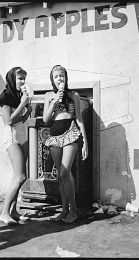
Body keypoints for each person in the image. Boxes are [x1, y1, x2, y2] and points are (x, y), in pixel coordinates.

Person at [43, 65, 88, 224]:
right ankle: (64, 210)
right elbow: (46, 120)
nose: (59, 79)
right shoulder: (49, 96)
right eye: (56, 76)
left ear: (66, 77)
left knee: (64, 172)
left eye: (62, 75)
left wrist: (85, 142)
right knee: (62, 178)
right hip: (54, 135)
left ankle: (74, 211)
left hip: (71, 132)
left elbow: (79, 119)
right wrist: (54, 100)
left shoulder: (73, 95)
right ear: (52, 80)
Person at [0, 67, 32, 224]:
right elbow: (9, 120)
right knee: (20, 176)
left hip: (22, 135)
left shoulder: (19, 96)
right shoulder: (4, 97)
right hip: (12, 137)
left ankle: (13, 211)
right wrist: (23, 103)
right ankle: (4, 212)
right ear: (11, 79)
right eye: (20, 78)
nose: (23, 81)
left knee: (17, 177)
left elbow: (21, 119)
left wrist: (28, 106)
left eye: (24, 78)